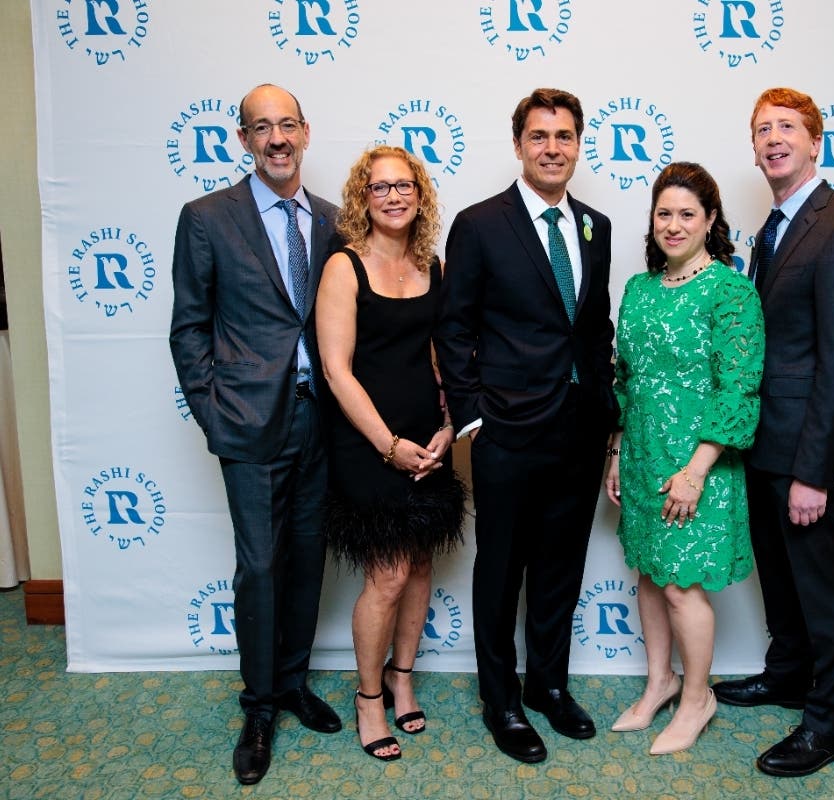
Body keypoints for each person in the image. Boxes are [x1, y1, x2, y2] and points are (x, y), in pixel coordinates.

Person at [434, 88, 617, 763]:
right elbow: (453, 328)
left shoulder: (594, 223)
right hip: (506, 429)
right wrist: (473, 416)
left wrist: (606, 415)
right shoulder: (481, 223)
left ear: (577, 145)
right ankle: (500, 701)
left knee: (560, 569)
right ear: (518, 145)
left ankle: (547, 686)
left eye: (564, 136)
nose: (551, 148)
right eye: (538, 136)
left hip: (578, 428)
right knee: (501, 568)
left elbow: (592, 328)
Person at [170, 84, 341, 786]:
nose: (276, 138)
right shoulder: (208, 218)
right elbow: (189, 327)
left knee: (307, 558)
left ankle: (295, 682)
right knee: (261, 566)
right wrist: (216, 413)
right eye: (260, 127)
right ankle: (259, 703)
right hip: (249, 422)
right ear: (242, 140)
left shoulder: (332, 220)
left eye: (287, 125)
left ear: (306, 133)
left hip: (321, 419)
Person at [711, 87, 834, 778]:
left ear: (815, 141)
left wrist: (815, 470)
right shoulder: (776, 228)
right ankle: (786, 674)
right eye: (760, 129)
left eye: (786, 127)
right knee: (779, 581)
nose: (771, 138)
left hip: (806, 452)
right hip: (766, 442)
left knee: (821, 588)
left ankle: (828, 724)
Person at [604, 162, 764, 755]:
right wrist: (617, 450)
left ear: (711, 221)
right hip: (644, 453)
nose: (674, 226)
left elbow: (739, 386)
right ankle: (660, 682)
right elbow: (625, 377)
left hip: (699, 463)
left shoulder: (730, 291)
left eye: (687, 215)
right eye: (664, 213)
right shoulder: (640, 289)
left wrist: (696, 470)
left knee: (682, 588)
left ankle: (698, 698)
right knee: (649, 574)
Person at [315, 146, 465, 762]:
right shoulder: (344, 267)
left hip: (427, 435)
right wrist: (388, 447)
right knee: (389, 573)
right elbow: (336, 370)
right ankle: (369, 697)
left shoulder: (433, 263)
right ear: (363, 198)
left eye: (405, 186)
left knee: (423, 564)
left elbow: (442, 354)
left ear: (420, 195)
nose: (394, 196)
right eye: (380, 188)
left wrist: (449, 426)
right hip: (366, 440)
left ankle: (404, 677)